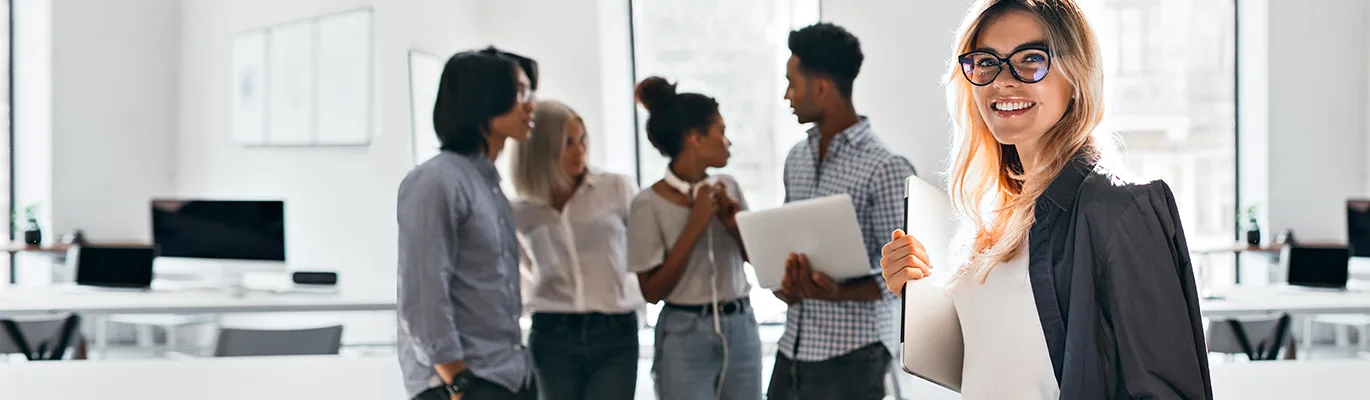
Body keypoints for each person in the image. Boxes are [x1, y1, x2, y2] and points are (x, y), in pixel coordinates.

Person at [879, 0, 1212, 398]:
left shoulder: (1120, 209)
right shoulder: (999, 216)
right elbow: (996, 359)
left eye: (1030, 59)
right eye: (986, 62)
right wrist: (917, 292)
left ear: (1076, 75)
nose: (1003, 80)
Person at [766, 22, 916, 400]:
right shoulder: (796, 158)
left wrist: (833, 293)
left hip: (853, 359)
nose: (787, 94)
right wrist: (788, 281)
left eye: (791, 82)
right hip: (792, 351)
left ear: (820, 87)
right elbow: (791, 240)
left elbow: (901, 281)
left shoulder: (886, 168)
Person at [397, 47, 540, 400]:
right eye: (520, 92)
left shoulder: (488, 185)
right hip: (462, 383)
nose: (531, 104)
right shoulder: (436, 181)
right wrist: (458, 381)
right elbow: (422, 294)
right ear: (484, 100)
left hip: (507, 376)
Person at [626, 76, 762, 400]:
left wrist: (733, 224)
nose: (728, 142)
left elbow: (758, 260)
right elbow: (652, 292)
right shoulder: (646, 204)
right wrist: (695, 224)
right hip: (683, 336)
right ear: (696, 138)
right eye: (722, 132)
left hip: (741, 327)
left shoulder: (728, 186)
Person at [509, 99, 643, 400]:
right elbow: (518, 274)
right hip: (551, 332)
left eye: (582, 139)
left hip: (614, 331)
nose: (579, 150)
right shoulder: (520, 211)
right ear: (541, 147)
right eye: (568, 142)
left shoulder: (616, 188)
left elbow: (641, 250)